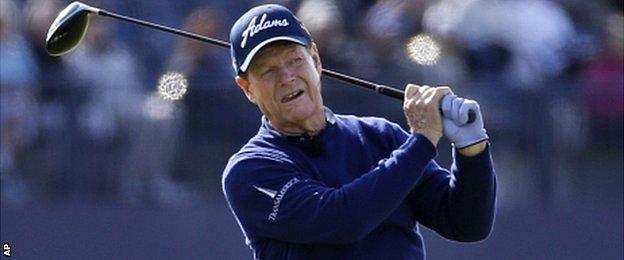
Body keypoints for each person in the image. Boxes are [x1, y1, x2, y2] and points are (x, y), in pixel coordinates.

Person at [222, 4, 496, 259]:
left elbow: (466, 224)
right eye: (268, 71)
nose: (286, 77)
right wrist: (422, 141)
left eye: (294, 60)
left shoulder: (380, 136)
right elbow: (339, 220)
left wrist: (472, 148)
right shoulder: (250, 171)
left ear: (315, 60)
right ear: (247, 89)